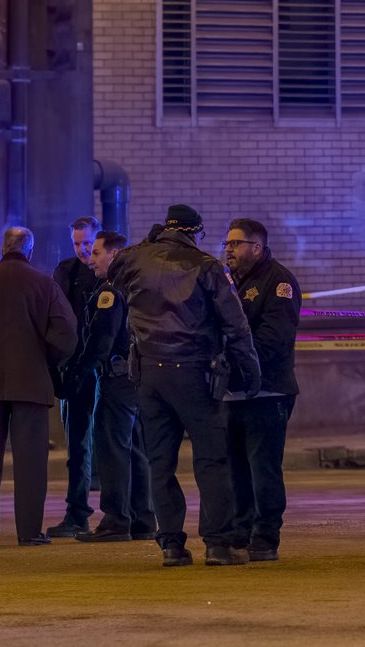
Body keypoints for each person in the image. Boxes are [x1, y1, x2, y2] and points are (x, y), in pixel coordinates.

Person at [108, 204, 262, 567]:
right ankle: (218, 544)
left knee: (159, 461)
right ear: (196, 232)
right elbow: (235, 326)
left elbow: (114, 271)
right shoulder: (207, 266)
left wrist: (148, 242)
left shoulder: (135, 260)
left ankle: (171, 545)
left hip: (148, 373)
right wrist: (250, 370)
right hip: (194, 371)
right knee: (211, 459)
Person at [0, 227, 78, 547]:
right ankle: (29, 531)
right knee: (31, 460)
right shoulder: (44, 284)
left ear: (2, 248)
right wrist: (45, 357)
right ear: (29, 251)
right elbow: (66, 335)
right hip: (30, 381)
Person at [222, 218, 301, 562]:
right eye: (227, 243)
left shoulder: (278, 281)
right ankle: (241, 531)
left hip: (267, 393)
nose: (228, 249)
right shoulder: (226, 283)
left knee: (263, 469)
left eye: (236, 244)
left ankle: (266, 536)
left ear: (256, 247)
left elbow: (274, 340)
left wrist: (232, 357)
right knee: (235, 470)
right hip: (230, 395)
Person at [74, 230, 157, 543]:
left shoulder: (111, 292)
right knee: (134, 448)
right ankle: (143, 518)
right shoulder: (136, 286)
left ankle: (116, 519)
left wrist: (81, 370)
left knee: (112, 448)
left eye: (96, 253)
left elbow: (102, 339)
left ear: (114, 255)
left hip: (116, 377)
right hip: (136, 377)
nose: (90, 259)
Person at [49, 215, 102, 538]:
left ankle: (120, 513)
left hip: (102, 368)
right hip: (77, 368)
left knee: (112, 444)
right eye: (78, 244)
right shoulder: (66, 272)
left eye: (88, 244)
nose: (83, 250)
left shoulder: (110, 273)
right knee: (78, 445)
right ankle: (77, 512)